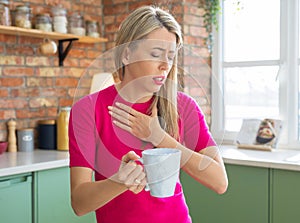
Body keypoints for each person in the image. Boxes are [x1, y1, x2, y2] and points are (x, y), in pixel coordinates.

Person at [69, 5, 228, 223]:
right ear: (127, 54)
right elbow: (79, 203)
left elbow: (220, 182)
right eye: (155, 54)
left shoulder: (184, 106)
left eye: (170, 56)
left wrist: (159, 137)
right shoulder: (88, 110)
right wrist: (120, 181)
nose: (165, 65)